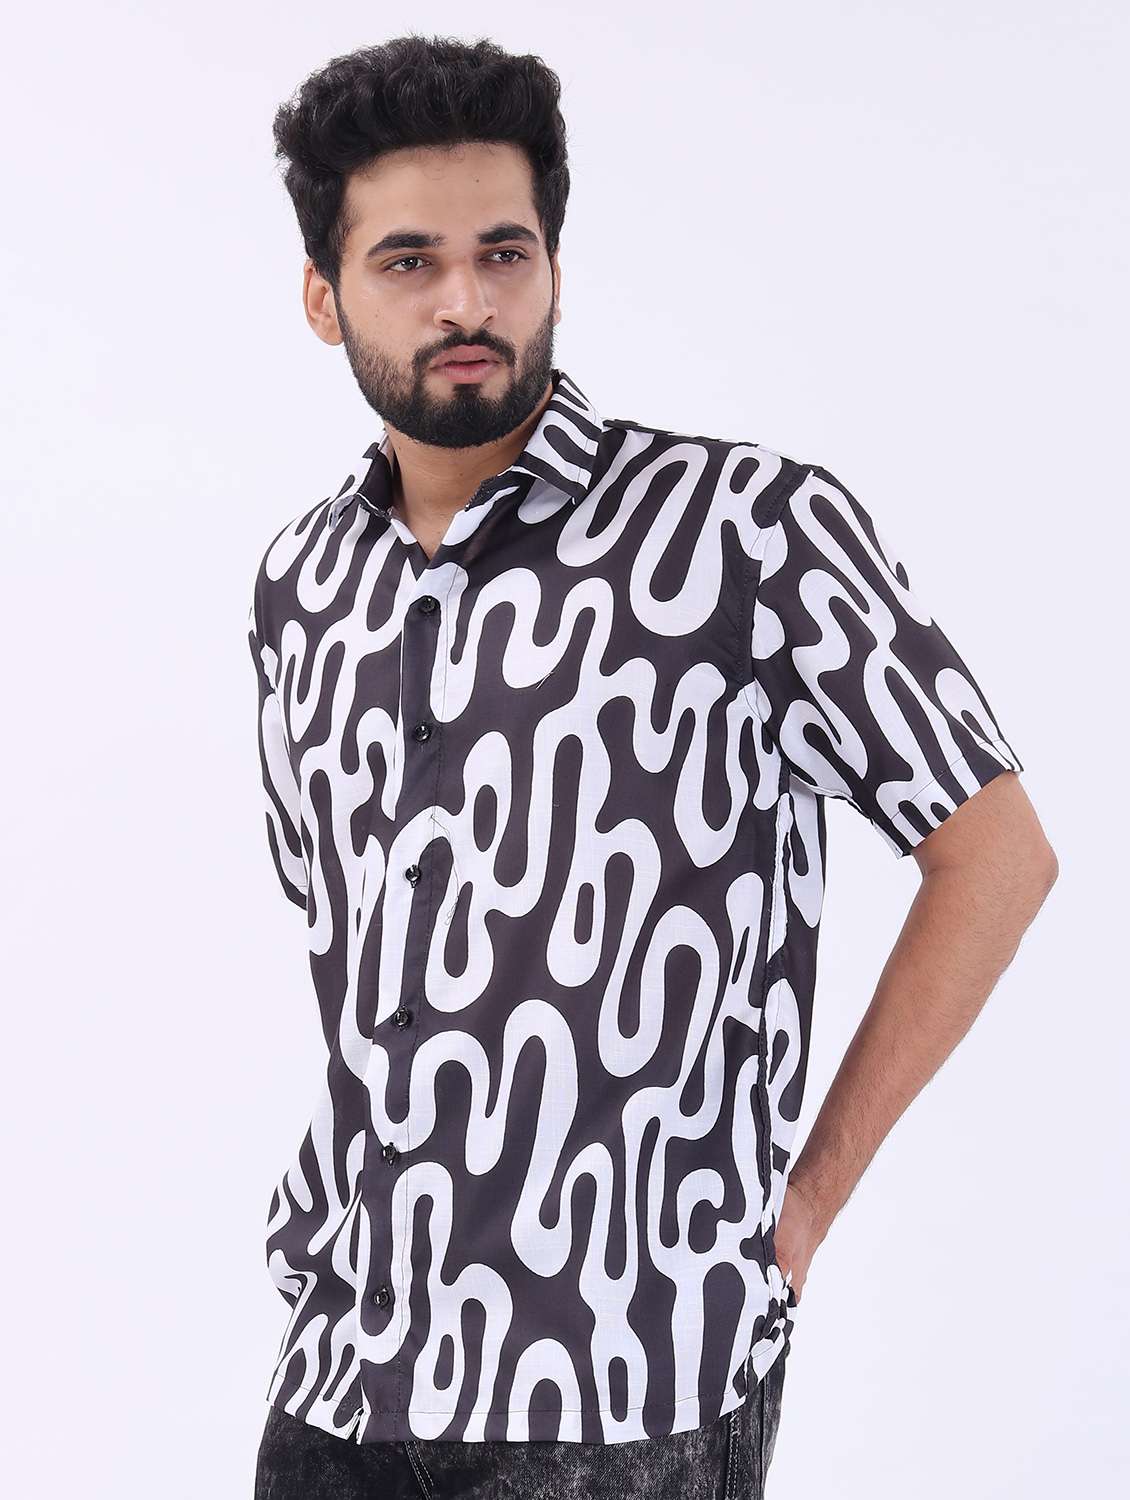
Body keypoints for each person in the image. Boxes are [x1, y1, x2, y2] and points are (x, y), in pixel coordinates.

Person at [247, 33, 1058, 1500]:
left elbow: (995, 854)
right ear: (323, 296)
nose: (465, 301)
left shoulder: (744, 533)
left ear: (554, 266)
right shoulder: (303, 584)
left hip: (627, 1380)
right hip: (344, 1367)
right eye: (408, 261)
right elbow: (352, 960)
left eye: (503, 253)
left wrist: (806, 1205)